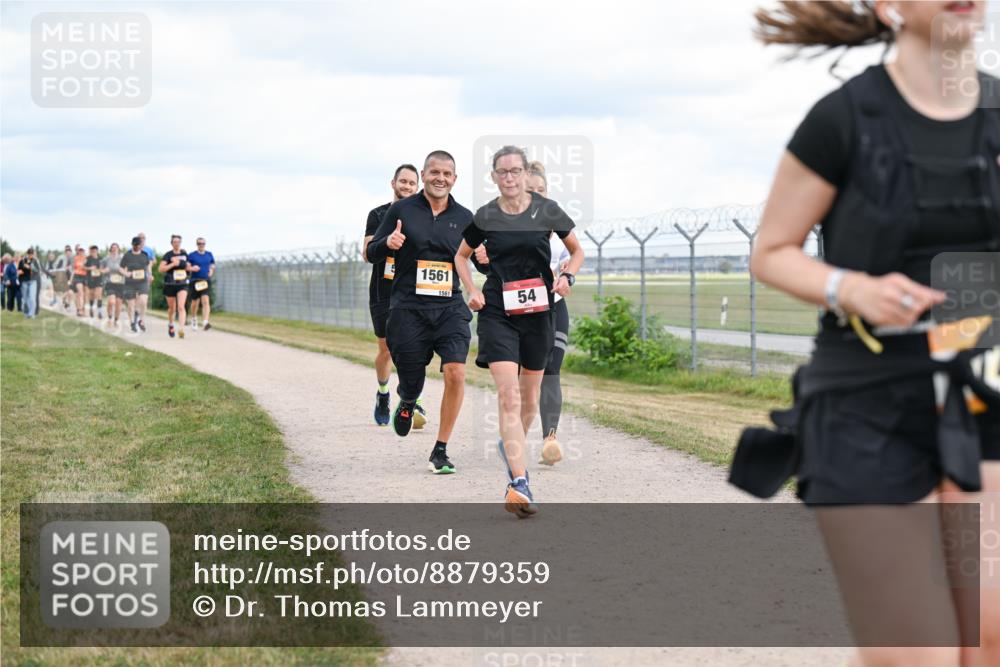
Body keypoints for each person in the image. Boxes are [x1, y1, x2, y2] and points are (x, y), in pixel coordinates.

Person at [730, 2, 1000, 665]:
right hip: (866, 405)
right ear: (888, 6)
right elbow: (772, 250)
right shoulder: (844, 118)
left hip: (977, 398)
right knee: (921, 653)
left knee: (986, 638)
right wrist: (850, 287)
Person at [455, 145, 584, 517]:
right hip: (498, 311)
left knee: (529, 400)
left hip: (539, 312)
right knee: (509, 397)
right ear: (494, 176)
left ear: (526, 174)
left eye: (515, 171)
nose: (509, 178)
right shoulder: (486, 216)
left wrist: (566, 276)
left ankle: (509, 448)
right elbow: (461, 255)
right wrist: (472, 289)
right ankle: (519, 481)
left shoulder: (547, 210)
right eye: (502, 172)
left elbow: (576, 251)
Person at [367, 150, 474, 475]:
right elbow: (372, 252)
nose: (440, 178)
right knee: (412, 378)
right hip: (408, 308)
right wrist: (390, 243)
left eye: (447, 173)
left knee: (456, 370)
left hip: (449, 307)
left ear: (454, 179)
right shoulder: (401, 210)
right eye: (434, 172)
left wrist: (483, 258)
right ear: (425, 175)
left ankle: (440, 449)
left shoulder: (466, 217)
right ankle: (408, 399)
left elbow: (480, 260)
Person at [363, 163, 420, 426]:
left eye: (412, 183)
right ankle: (383, 392)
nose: (407, 186)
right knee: (386, 349)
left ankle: (410, 398)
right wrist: (388, 243)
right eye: (403, 181)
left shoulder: (424, 215)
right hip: (383, 291)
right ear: (393, 183)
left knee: (412, 347)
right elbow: (367, 253)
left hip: (412, 290)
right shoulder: (377, 214)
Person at [158, 235, 190, 338]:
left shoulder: (185, 254)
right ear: (172, 243)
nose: (177, 243)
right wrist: (172, 264)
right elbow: (161, 269)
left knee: (181, 306)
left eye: (178, 242)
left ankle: (181, 329)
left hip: (182, 284)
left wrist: (188, 267)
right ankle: (171, 324)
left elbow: (188, 267)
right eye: (175, 242)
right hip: (170, 283)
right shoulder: (168, 255)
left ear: (181, 243)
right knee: (172, 308)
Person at [121, 237, 150, 333]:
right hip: (130, 282)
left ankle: (141, 320)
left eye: (138, 245)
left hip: (142, 281)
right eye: (135, 245)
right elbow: (121, 268)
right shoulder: (127, 255)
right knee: (131, 304)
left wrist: (150, 275)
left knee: (143, 301)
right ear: (132, 245)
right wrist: (125, 274)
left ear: (141, 245)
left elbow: (148, 267)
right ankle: (132, 322)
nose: (137, 247)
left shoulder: (145, 255)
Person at [186, 237, 216, 331]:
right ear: (197, 244)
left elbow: (212, 265)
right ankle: (194, 318)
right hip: (195, 280)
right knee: (195, 302)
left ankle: (205, 322)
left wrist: (211, 271)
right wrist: (192, 268)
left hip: (205, 280)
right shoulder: (192, 255)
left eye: (203, 243)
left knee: (205, 300)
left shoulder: (209, 254)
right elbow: (186, 267)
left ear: (205, 244)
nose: (201, 245)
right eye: (199, 243)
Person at [102, 243, 125, 329]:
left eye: (116, 248)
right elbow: (101, 269)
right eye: (113, 248)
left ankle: (116, 320)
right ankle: (109, 318)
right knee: (111, 302)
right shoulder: (106, 259)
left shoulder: (123, 259)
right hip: (110, 283)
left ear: (119, 249)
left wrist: (121, 271)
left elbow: (127, 269)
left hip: (120, 283)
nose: (114, 249)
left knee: (118, 304)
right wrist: (105, 270)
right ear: (110, 249)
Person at [17, 248, 41, 318]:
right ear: (27, 254)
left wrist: (30, 267)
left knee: (32, 297)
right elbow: (19, 271)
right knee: (25, 298)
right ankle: (26, 313)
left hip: (33, 281)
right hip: (24, 281)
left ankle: (32, 313)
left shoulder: (35, 261)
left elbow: (38, 271)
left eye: (32, 254)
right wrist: (22, 271)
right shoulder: (22, 261)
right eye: (29, 254)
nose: (31, 255)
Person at [84, 245, 103, 319]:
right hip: (90, 279)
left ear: (97, 251)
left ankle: (99, 312)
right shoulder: (88, 258)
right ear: (91, 251)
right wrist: (90, 268)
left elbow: (104, 266)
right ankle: (91, 308)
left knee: (98, 294)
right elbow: (83, 267)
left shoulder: (101, 259)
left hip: (99, 279)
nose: (94, 252)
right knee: (92, 295)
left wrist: (102, 269)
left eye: (95, 250)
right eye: (92, 250)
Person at [51, 245, 72, 310]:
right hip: (61, 275)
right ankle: (64, 304)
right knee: (66, 291)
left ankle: (64, 304)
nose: (68, 253)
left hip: (68, 276)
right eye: (67, 251)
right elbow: (56, 266)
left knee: (68, 291)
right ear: (65, 252)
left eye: (69, 251)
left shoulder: (71, 258)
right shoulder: (61, 257)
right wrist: (63, 268)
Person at [70, 246, 87, 316]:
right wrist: (71, 279)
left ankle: (82, 309)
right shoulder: (75, 258)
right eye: (80, 251)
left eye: (82, 251)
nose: (81, 252)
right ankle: (79, 310)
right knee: (80, 293)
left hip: (85, 277)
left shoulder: (86, 259)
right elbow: (73, 270)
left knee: (83, 295)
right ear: (78, 251)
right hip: (77, 277)